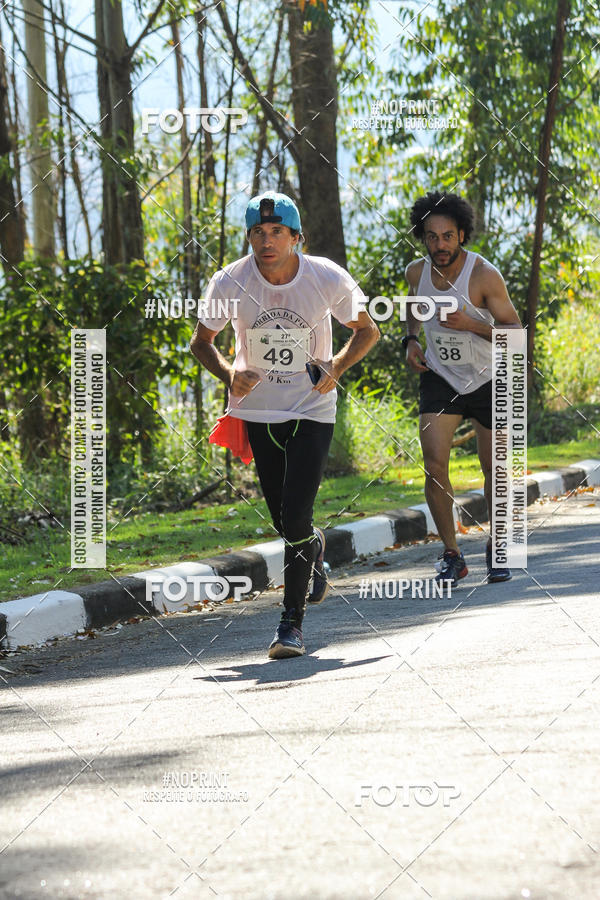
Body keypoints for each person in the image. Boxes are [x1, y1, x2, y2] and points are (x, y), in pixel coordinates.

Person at [190, 191, 379, 658]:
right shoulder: (230, 280)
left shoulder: (324, 276)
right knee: (284, 520)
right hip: (257, 412)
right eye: (258, 231)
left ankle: (290, 624)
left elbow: (369, 330)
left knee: (295, 514)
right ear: (250, 237)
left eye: (277, 232)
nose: (266, 240)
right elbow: (201, 342)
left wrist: (334, 365)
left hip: (312, 409)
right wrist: (229, 373)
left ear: (297, 237)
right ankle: (312, 548)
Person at [404, 191, 522, 585]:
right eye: (432, 236)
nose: (440, 245)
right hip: (441, 377)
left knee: (494, 469)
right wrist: (412, 340)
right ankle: (452, 555)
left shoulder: (484, 275)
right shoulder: (415, 273)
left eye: (448, 236)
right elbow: (412, 308)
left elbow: (517, 336)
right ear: (423, 237)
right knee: (434, 466)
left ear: (462, 236)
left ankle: (499, 545)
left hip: (490, 378)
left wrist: (471, 324)